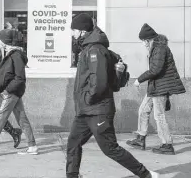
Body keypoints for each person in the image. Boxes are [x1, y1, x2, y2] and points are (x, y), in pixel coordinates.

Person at [66, 13, 159, 178]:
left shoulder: (95, 50)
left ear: (81, 31)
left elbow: (99, 82)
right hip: (85, 111)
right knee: (73, 142)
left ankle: (146, 174)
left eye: (73, 30)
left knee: (110, 148)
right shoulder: (87, 48)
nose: (72, 34)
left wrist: (87, 98)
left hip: (97, 109)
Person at [126, 23, 186, 155]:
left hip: (161, 87)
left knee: (159, 116)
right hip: (155, 86)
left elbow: (155, 70)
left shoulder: (160, 48)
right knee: (143, 109)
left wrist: (139, 80)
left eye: (143, 41)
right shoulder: (156, 48)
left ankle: (167, 144)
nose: (143, 44)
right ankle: (141, 138)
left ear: (148, 39)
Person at [0, 28, 38, 157]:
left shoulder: (16, 55)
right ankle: (32, 146)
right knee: (22, 119)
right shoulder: (13, 54)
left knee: (0, 118)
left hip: (11, 93)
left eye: (1, 40)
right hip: (14, 93)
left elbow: (20, 78)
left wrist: (7, 91)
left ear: (6, 42)